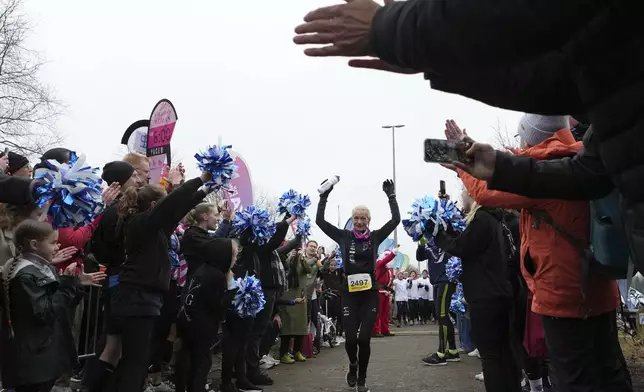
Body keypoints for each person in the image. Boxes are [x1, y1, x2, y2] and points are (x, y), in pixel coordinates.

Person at [293, 0, 644, 276]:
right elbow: (582, 165)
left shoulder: (567, 141)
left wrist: (400, 33)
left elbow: (524, 21)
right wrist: (499, 166)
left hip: (563, 288)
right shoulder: (606, 102)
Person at [447, 118, 629, 391]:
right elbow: (518, 165)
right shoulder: (582, 158)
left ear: (533, 138)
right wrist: (474, 151)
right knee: (609, 370)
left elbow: (486, 192)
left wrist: (463, 166)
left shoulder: (545, 176)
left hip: (562, 293)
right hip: (600, 284)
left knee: (573, 377)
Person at [109, 172, 212, 392]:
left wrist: (205, 190)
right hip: (135, 298)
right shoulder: (140, 223)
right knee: (134, 361)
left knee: (134, 357)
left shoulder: (154, 228)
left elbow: (176, 212)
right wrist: (198, 179)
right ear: (154, 205)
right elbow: (171, 206)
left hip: (142, 298)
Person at [1, 220, 105, 392]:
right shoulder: (27, 275)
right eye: (52, 243)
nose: (57, 247)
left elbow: (61, 305)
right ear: (34, 245)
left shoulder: (44, 268)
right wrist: (66, 284)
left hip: (43, 354)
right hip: (33, 358)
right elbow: (46, 311)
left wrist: (76, 284)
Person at [432, 189, 521, 392]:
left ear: (474, 195)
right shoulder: (497, 218)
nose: (461, 195)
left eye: (464, 191)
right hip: (501, 292)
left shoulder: (482, 218)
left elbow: (462, 247)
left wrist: (437, 235)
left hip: (485, 296)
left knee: (490, 355)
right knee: (505, 352)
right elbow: (468, 242)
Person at [316, 179, 400, 392]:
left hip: (369, 292)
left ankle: (362, 379)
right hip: (350, 293)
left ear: (368, 220)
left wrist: (391, 197)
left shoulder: (375, 237)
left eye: (363, 218)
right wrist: (324, 196)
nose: (359, 221)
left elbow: (395, 220)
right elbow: (320, 221)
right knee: (351, 339)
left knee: (364, 338)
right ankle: (353, 364)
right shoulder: (344, 236)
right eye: (356, 218)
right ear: (351, 220)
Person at [176, 238, 238, 392]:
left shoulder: (202, 269)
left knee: (188, 360)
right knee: (202, 363)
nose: (235, 259)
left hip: (187, 320)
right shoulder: (217, 275)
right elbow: (216, 306)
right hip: (201, 325)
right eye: (233, 255)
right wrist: (233, 292)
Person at [417, 233, 458, 365]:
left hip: (446, 281)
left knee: (442, 316)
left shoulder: (447, 243)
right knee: (442, 316)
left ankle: (441, 354)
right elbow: (419, 256)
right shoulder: (430, 247)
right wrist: (421, 244)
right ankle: (452, 351)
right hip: (436, 283)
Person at [278, 247, 313, 364]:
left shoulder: (301, 261)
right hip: (287, 296)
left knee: (300, 326)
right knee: (287, 326)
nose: (295, 252)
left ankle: (298, 351)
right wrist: (289, 258)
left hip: (300, 297)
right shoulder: (283, 261)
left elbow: (309, 270)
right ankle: (283, 353)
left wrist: (302, 259)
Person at [181, 202, 234, 278]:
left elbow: (216, 239)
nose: (218, 219)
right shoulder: (193, 236)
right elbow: (216, 246)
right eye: (216, 215)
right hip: (197, 285)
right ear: (205, 216)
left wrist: (227, 220)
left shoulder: (201, 235)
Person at [372, 248, 396, 337]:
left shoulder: (390, 269)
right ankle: (376, 331)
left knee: (385, 312)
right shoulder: (379, 263)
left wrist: (390, 291)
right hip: (379, 291)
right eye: (386, 255)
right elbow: (385, 261)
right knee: (378, 312)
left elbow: (390, 281)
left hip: (386, 292)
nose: (388, 258)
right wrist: (393, 254)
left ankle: (384, 330)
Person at [320, 257, 344, 340]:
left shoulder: (339, 272)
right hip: (329, 297)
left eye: (334, 265)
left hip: (338, 296)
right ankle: (329, 333)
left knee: (339, 315)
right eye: (331, 265)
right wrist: (329, 257)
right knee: (329, 316)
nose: (332, 267)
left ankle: (339, 333)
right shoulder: (326, 273)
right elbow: (323, 268)